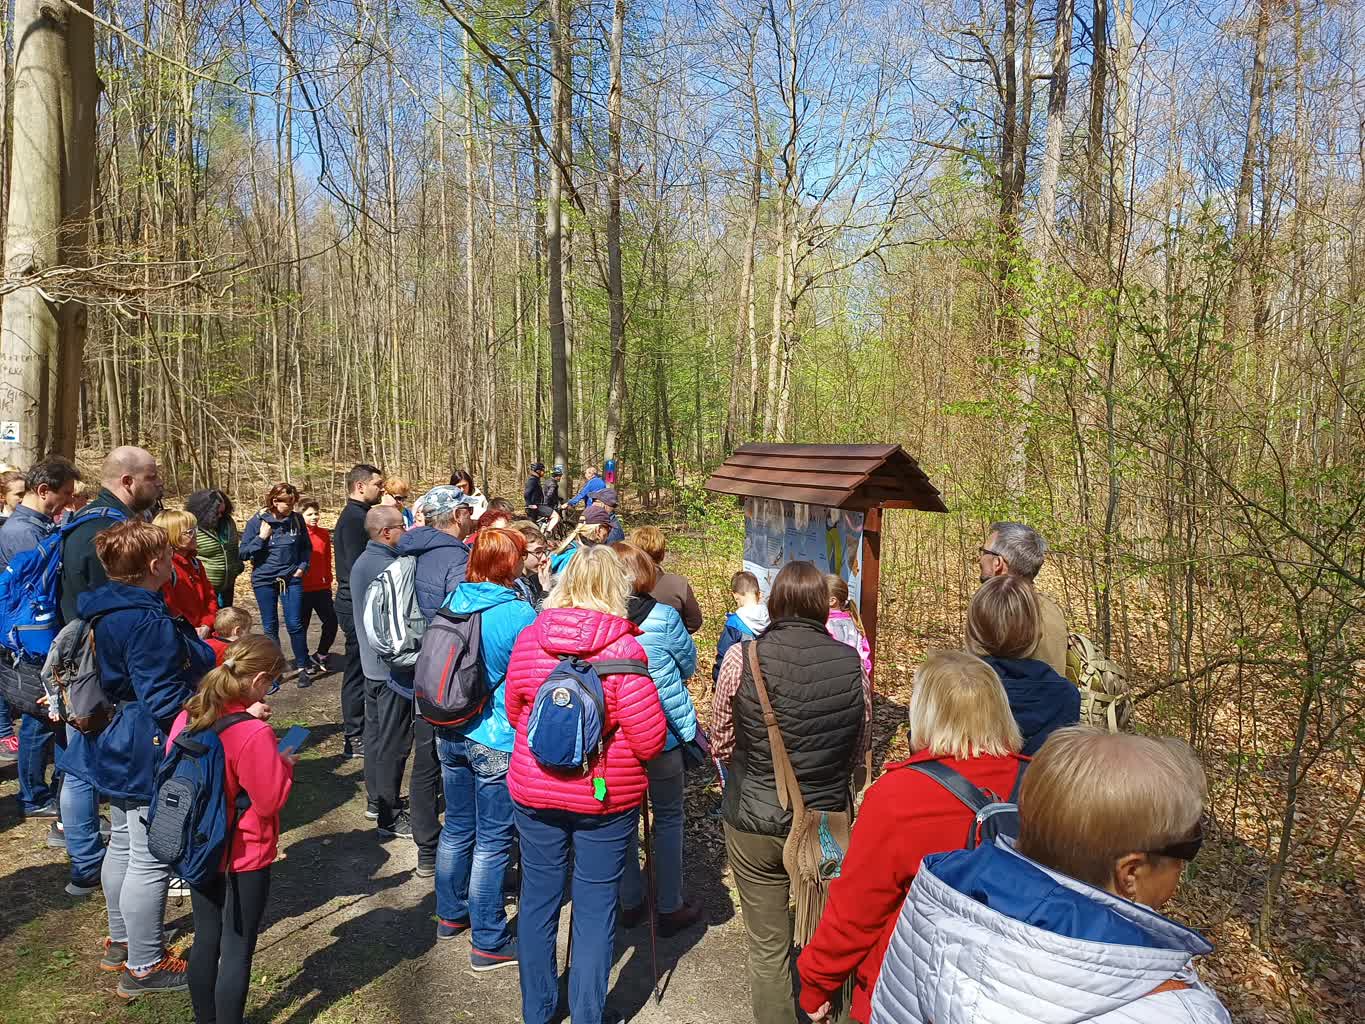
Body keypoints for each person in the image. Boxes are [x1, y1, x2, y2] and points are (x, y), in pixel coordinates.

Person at [871, 727, 1231, 1024]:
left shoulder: (935, 904)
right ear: (1131, 872)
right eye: (1186, 848)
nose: (1184, 866)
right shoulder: (1180, 1013)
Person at [796, 651, 1027, 1023]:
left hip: (909, 995)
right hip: (1015, 995)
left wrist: (817, 981)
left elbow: (856, 912)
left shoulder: (897, 796)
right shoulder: (1046, 787)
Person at [504, 544, 666, 1024]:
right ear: (615, 587)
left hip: (534, 791)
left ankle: (538, 1011)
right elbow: (650, 739)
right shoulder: (626, 649)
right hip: (604, 798)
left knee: (538, 899)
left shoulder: (532, 638)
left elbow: (517, 711)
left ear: (565, 580)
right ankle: (588, 1013)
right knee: (595, 907)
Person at [710, 560, 869, 1024]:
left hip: (754, 822)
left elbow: (720, 738)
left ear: (774, 603)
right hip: (825, 824)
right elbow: (860, 748)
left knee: (767, 947)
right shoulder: (851, 664)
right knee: (830, 941)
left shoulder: (744, 657)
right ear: (823, 607)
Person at [71, 520, 216, 996]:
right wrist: (211, 704)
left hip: (114, 735)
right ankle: (145, 964)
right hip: (143, 742)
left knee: (122, 845)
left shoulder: (107, 608)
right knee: (151, 857)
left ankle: (121, 940)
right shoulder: (146, 619)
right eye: (168, 555)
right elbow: (162, 696)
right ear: (156, 564)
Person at [169, 634, 293, 1024]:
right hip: (244, 853)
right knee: (237, 948)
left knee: (206, 937)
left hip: (199, 846)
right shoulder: (254, 734)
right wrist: (283, 762)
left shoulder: (188, 714)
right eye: (272, 683)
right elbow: (269, 801)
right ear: (258, 681)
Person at [58, 447, 164, 899]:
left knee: (83, 768)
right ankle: (84, 859)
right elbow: (118, 617)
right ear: (127, 480)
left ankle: (87, 860)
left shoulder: (91, 521)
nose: (159, 485)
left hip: (92, 669)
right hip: (101, 678)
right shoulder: (109, 529)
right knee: (84, 770)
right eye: (152, 478)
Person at [434, 528, 538, 968]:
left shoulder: (456, 599)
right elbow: (535, 671)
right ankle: (489, 939)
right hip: (493, 734)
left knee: (457, 827)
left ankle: (450, 914)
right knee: (493, 841)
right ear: (508, 563)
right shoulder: (515, 612)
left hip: (447, 726)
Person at [612, 542, 704, 936]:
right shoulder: (665, 617)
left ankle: (630, 901)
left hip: (616, 737)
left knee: (624, 819)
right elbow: (688, 664)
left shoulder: (598, 617)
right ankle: (668, 905)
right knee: (668, 817)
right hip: (663, 732)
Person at [397, 485, 478, 875]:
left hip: (415, 668)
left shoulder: (406, 546)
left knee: (424, 760)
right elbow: (461, 615)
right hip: (447, 671)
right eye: (467, 511)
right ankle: (463, 852)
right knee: (456, 760)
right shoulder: (454, 557)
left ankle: (426, 849)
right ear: (458, 515)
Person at [0, 458, 81, 805]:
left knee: (46, 719)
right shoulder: (22, 532)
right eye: (63, 494)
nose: (65, 501)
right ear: (44, 490)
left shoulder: (42, 525)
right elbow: (37, 589)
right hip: (34, 640)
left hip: (43, 636)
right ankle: (33, 796)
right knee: (37, 719)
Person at [966, 575, 1079, 756]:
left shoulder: (957, 690)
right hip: (1037, 783)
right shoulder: (1066, 696)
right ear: (1036, 632)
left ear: (973, 632)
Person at [351, 504, 412, 837]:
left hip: (371, 666)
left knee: (375, 738)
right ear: (385, 532)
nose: (406, 531)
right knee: (393, 742)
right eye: (402, 526)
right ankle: (389, 813)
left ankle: (376, 801)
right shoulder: (387, 567)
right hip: (388, 670)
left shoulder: (366, 560)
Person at [239, 484, 313, 687]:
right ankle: (275, 669)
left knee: (295, 624)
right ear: (274, 501)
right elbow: (243, 553)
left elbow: (306, 547)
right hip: (264, 580)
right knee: (270, 626)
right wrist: (261, 537)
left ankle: (302, 666)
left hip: (291, 579)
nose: (291, 506)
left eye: (293, 502)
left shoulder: (296, 520)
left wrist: (302, 567)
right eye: (287, 503)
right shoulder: (258, 521)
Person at [334, 464, 384, 759]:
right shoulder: (354, 519)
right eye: (377, 484)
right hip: (354, 602)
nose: (382, 489)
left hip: (359, 601)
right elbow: (356, 567)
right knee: (356, 670)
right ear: (361, 486)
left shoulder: (360, 516)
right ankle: (353, 736)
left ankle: (363, 730)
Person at [978, 522, 1067, 676]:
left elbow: (977, 680)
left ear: (997, 563)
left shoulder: (999, 609)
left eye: (983, 552)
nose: (979, 559)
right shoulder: (1051, 608)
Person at [629, 525, 703, 634]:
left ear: (633, 552)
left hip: (630, 646)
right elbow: (694, 622)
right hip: (671, 646)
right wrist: (675, 635)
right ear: (662, 554)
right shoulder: (678, 584)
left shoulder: (622, 584)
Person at [155, 509, 218, 636]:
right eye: (189, 532)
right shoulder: (165, 568)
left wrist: (206, 624)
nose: (195, 535)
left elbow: (210, 596)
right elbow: (169, 606)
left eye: (195, 530)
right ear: (172, 536)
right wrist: (190, 630)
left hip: (204, 632)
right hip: (181, 635)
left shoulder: (195, 564)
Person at [186, 490, 243, 608]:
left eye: (223, 512)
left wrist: (237, 566)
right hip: (206, 587)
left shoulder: (228, 522)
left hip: (228, 584)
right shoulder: (193, 528)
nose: (220, 516)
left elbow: (233, 548)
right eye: (217, 513)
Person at [298, 500, 337, 673]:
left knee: (331, 621)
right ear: (300, 516)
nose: (315, 517)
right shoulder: (297, 535)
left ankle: (321, 653)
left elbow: (327, 558)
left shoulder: (323, 534)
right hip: (302, 589)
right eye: (310, 514)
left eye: (316, 513)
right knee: (301, 626)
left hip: (321, 588)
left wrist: (328, 579)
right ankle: (304, 659)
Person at [714, 570, 769, 682]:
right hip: (767, 681)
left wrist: (717, 680)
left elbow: (723, 658)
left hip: (742, 682)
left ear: (735, 596)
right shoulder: (771, 619)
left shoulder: (734, 624)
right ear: (759, 594)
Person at [826, 574, 872, 678]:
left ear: (832, 601)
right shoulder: (854, 622)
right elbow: (865, 658)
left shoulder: (827, 624)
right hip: (854, 680)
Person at [549, 505, 612, 574]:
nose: (609, 533)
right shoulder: (581, 559)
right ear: (598, 530)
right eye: (608, 529)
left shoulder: (568, 549)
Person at [513, 522, 552, 610]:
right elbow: (534, 619)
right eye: (537, 552)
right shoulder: (515, 585)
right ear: (522, 554)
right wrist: (545, 589)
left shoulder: (532, 579)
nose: (544, 558)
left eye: (545, 551)